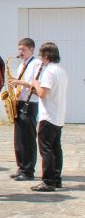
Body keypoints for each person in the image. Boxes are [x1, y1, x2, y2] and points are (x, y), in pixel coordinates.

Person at [30, 42, 68, 192]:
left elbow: (43, 93)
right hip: (58, 114)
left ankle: (48, 181)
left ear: (45, 56)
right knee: (56, 148)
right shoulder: (61, 70)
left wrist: (35, 84)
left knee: (46, 149)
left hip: (48, 115)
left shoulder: (49, 71)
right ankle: (57, 178)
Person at [7, 38, 42, 181]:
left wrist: (20, 82)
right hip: (19, 102)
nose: (20, 52)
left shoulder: (36, 64)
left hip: (30, 103)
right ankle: (21, 166)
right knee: (19, 138)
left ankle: (28, 170)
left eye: (23, 49)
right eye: (19, 49)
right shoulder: (22, 64)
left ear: (32, 49)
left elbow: (36, 84)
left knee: (28, 139)